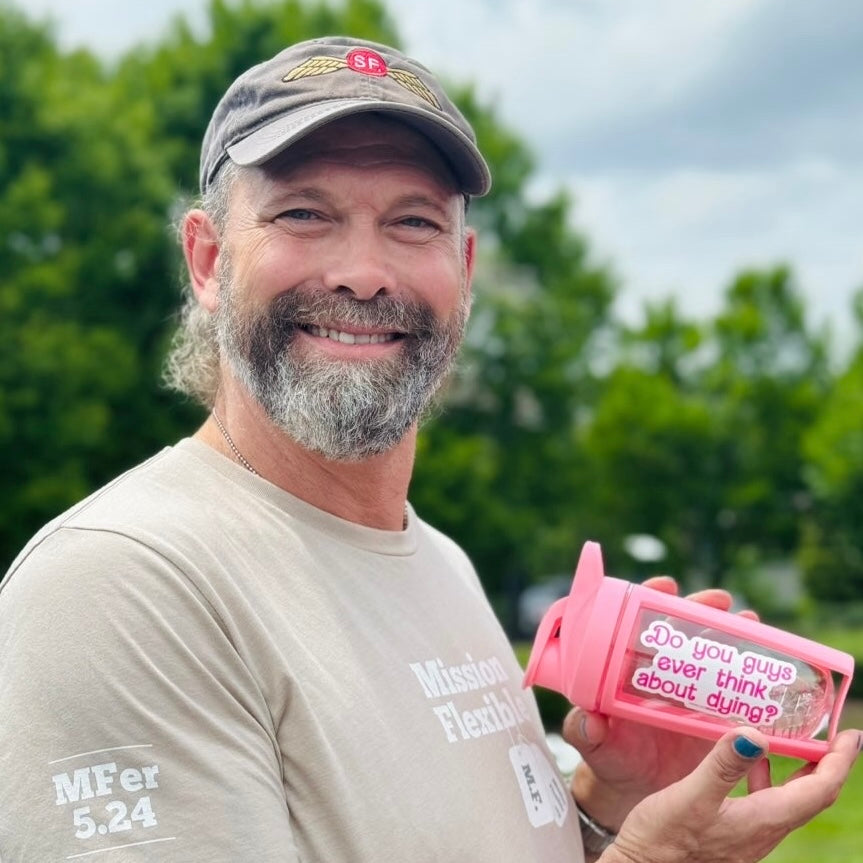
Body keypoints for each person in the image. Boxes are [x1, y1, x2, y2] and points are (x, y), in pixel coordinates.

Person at [0, 35, 858, 863]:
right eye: (304, 213)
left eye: (413, 222)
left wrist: (608, 804)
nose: (363, 272)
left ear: (465, 269)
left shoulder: (434, 559)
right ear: (208, 258)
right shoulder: (119, 586)